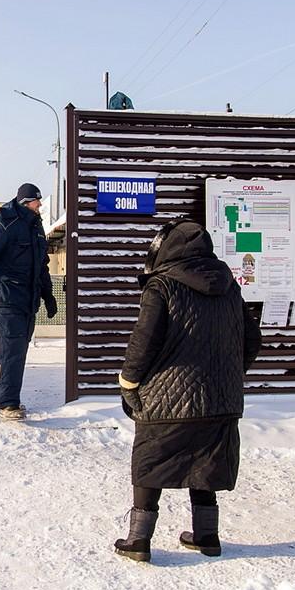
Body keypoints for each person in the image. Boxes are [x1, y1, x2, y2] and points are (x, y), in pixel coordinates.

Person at [113, 220, 261, 563]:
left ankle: (138, 540)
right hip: (221, 400)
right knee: (207, 461)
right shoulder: (229, 287)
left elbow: (144, 342)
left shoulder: (161, 286)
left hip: (168, 398)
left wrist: (128, 382)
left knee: (151, 461)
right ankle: (207, 537)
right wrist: (229, 375)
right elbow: (253, 340)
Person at [0, 183, 57, 420]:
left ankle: (5, 399)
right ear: (25, 202)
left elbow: (41, 265)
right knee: (13, 350)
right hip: (7, 296)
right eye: (36, 201)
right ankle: (8, 403)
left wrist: (48, 295)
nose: (40, 206)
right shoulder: (3, 223)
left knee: (16, 350)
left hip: (27, 298)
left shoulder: (36, 227)